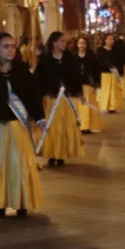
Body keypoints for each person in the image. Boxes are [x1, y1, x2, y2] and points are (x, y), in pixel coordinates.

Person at [0, 32, 45, 219]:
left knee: (19, 165)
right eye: (6, 46)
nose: (11, 49)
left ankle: (21, 202)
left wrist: (39, 118)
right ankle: (0, 204)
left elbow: (33, 97)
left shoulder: (22, 71)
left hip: (18, 128)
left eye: (13, 46)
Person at [35, 31, 84, 167]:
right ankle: (51, 153)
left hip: (65, 99)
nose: (65, 44)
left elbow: (76, 76)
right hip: (51, 99)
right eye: (62, 41)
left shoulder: (70, 58)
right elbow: (39, 79)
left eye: (65, 41)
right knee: (52, 127)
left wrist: (78, 92)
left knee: (64, 127)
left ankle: (61, 153)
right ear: (54, 43)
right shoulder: (45, 59)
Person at [73, 35, 104, 134]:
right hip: (77, 85)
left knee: (87, 106)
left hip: (88, 85)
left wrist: (97, 83)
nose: (81, 45)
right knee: (79, 107)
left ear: (86, 45)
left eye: (83, 43)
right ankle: (80, 124)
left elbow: (96, 71)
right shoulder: (73, 57)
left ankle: (87, 125)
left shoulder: (92, 57)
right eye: (80, 43)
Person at [96, 34, 125, 113]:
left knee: (113, 92)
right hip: (104, 74)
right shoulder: (100, 50)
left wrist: (121, 72)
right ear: (105, 40)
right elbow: (97, 62)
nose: (111, 41)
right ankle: (105, 105)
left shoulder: (115, 50)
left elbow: (119, 62)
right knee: (105, 92)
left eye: (112, 39)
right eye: (109, 39)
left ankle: (113, 106)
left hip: (113, 74)